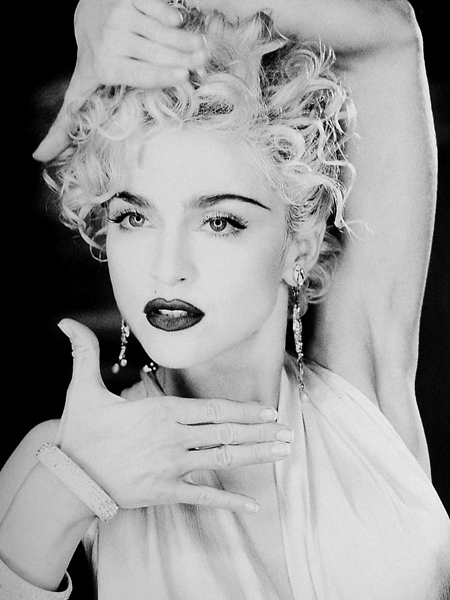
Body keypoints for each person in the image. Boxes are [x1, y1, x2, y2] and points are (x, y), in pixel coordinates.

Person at [1, 1, 450, 599]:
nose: (167, 269)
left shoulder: (363, 393)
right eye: (134, 217)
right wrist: (71, 490)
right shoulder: (56, 460)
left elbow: (388, 38)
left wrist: (132, 6)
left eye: (220, 222)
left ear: (300, 242)